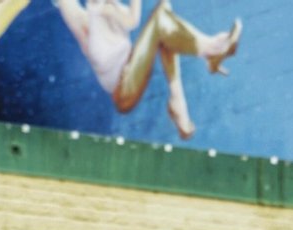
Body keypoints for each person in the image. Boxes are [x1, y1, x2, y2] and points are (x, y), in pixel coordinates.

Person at [54, 0, 242, 141]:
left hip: (132, 71)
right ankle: (210, 50)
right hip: (124, 91)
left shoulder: (113, 9)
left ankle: (178, 101)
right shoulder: (88, 19)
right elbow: (132, 22)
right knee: (161, 21)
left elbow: (132, 20)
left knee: (165, 16)